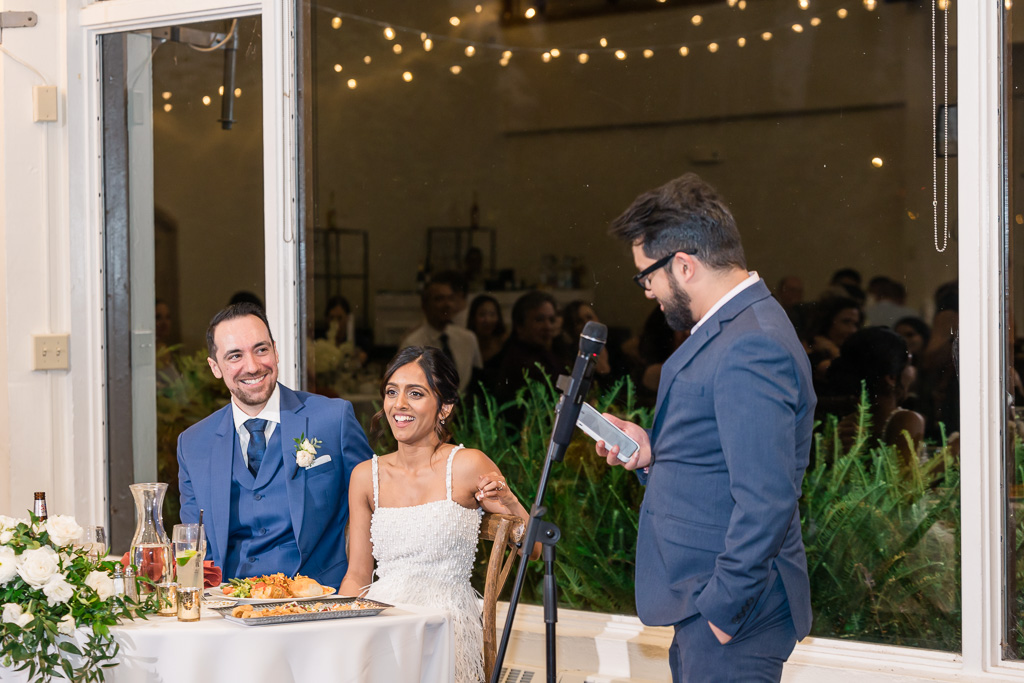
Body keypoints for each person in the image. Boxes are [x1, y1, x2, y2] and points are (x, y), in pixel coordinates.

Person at [597, 173, 815, 682]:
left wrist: (722, 610)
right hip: (708, 603)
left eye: (645, 276)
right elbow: (722, 458)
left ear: (684, 265)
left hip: (732, 617)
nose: (647, 290)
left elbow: (767, 498)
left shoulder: (749, 343)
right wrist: (651, 453)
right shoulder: (736, 329)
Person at [339, 347, 531, 683]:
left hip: (446, 624)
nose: (399, 405)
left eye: (415, 394)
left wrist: (511, 503)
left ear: (444, 407)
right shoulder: (364, 477)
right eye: (391, 392)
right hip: (384, 619)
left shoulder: (467, 465)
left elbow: (535, 546)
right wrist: (339, 631)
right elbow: (357, 576)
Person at [177, 303, 374, 587]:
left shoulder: (333, 419)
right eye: (235, 356)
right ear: (215, 367)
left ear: (276, 351)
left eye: (261, 349)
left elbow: (374, 508)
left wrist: (354, 586)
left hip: (319, 599)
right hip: (229, 606)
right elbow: (193, 545)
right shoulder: (193, 444)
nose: (253, 366)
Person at [824, 327, 926, 466]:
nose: (913, 371)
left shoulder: (848, 424)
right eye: (909, 364)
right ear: (891, 378)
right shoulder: (907, 420)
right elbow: (905, 483)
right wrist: (951, 453)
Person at [401, 277, 482, 395]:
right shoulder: (412, 344)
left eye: (450, 298)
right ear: (425, 305)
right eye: (439, 299)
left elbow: (478, 381)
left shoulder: (467, 339)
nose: (447, 304)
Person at [494, 290, 562, 402]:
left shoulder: (556, 353)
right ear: (520, 326)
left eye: (551, 320)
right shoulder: (517, 361)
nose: (548, 326)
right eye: (539, 320)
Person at [466, 294, 508, 366]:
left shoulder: (505, 342)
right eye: (482, 315)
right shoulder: (467, 343)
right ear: (473, 318)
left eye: (492, 314)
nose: (487, 320)